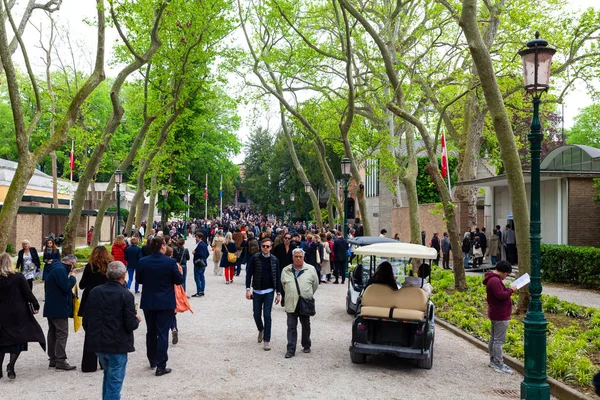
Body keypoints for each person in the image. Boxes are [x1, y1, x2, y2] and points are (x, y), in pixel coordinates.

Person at [83, 261, 141, 399]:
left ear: (107, 274)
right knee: (114, 380)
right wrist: (136, 319)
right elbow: (130, 324)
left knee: (108, 376)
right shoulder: (125, 295)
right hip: (117, 344)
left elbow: (87, 319)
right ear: (124, 275)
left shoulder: (95, 292)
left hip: (99, 342)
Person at [136, 236, 183, 376]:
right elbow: (178, 280)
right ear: (163, 246)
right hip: (165, 301)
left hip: (149, 300)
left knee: (151, 331)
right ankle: (161, 365)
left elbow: (139, 280)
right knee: (162, 333)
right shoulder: (170, 262)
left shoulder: (143, 261)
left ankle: (152, 360)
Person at [0, 252, 46, 380]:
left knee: (2, 340)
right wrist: (35, 305)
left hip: (1, 314)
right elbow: (28, 293)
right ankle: (11, 366)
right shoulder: (18, 277)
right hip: (17, 313)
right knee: (18, 339)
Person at [281, 248, 319, 359]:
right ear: (293, 257)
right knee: (291, 326)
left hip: (305, 302)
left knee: (306, 325)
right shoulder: (286, 270)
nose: (298, 259)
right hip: (291, 302)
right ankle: (291, 349)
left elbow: (315, 285)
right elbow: (284, 285)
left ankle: (306, 344)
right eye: (296, 257)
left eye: (300, 257)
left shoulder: (310, 269)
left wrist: (307, 294)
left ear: (303, 258)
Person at [245, 237, 281, 351]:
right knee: (256, 314)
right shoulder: (255, 258)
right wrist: (247, 289)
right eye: (263, 246)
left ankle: (267, 340)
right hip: (257, 290)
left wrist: (278, 293)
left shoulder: (275, 260)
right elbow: (249, 274)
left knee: (267, 315)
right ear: (261, 247)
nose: (265, 248)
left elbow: (277, 276)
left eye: (268, 246)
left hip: (269, 291)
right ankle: (261, 329)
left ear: (271, 247)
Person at [79, 246, 111, 372]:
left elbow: (82, 285)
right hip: (106, 299)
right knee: (106, 330)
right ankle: (105, 362)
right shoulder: (109, 265)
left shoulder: (90, 266)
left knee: (90, 331)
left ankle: (88, 364)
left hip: (91, 299)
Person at [44, 254, 78, 370]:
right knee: (62, 333)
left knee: (53, 332)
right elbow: (66, 286)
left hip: (51, 306)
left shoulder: (56, 268)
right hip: (59, 307)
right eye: (74, 266)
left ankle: (53, 358)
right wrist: (73, 278)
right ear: (70, 263)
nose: (73, 269)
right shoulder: (60, 270)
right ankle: (60, 360)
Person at [483, 260, 516, 375]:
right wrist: (511, 290)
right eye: (506, 274)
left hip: (495, 312)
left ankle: (493, 360)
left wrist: (508, 290)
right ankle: (498, 363)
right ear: (503, 272)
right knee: (498, 340)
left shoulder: (492, 279)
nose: (506, 277)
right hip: (500, 314)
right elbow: (501, 296)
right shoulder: (495, 281)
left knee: (493, 338)